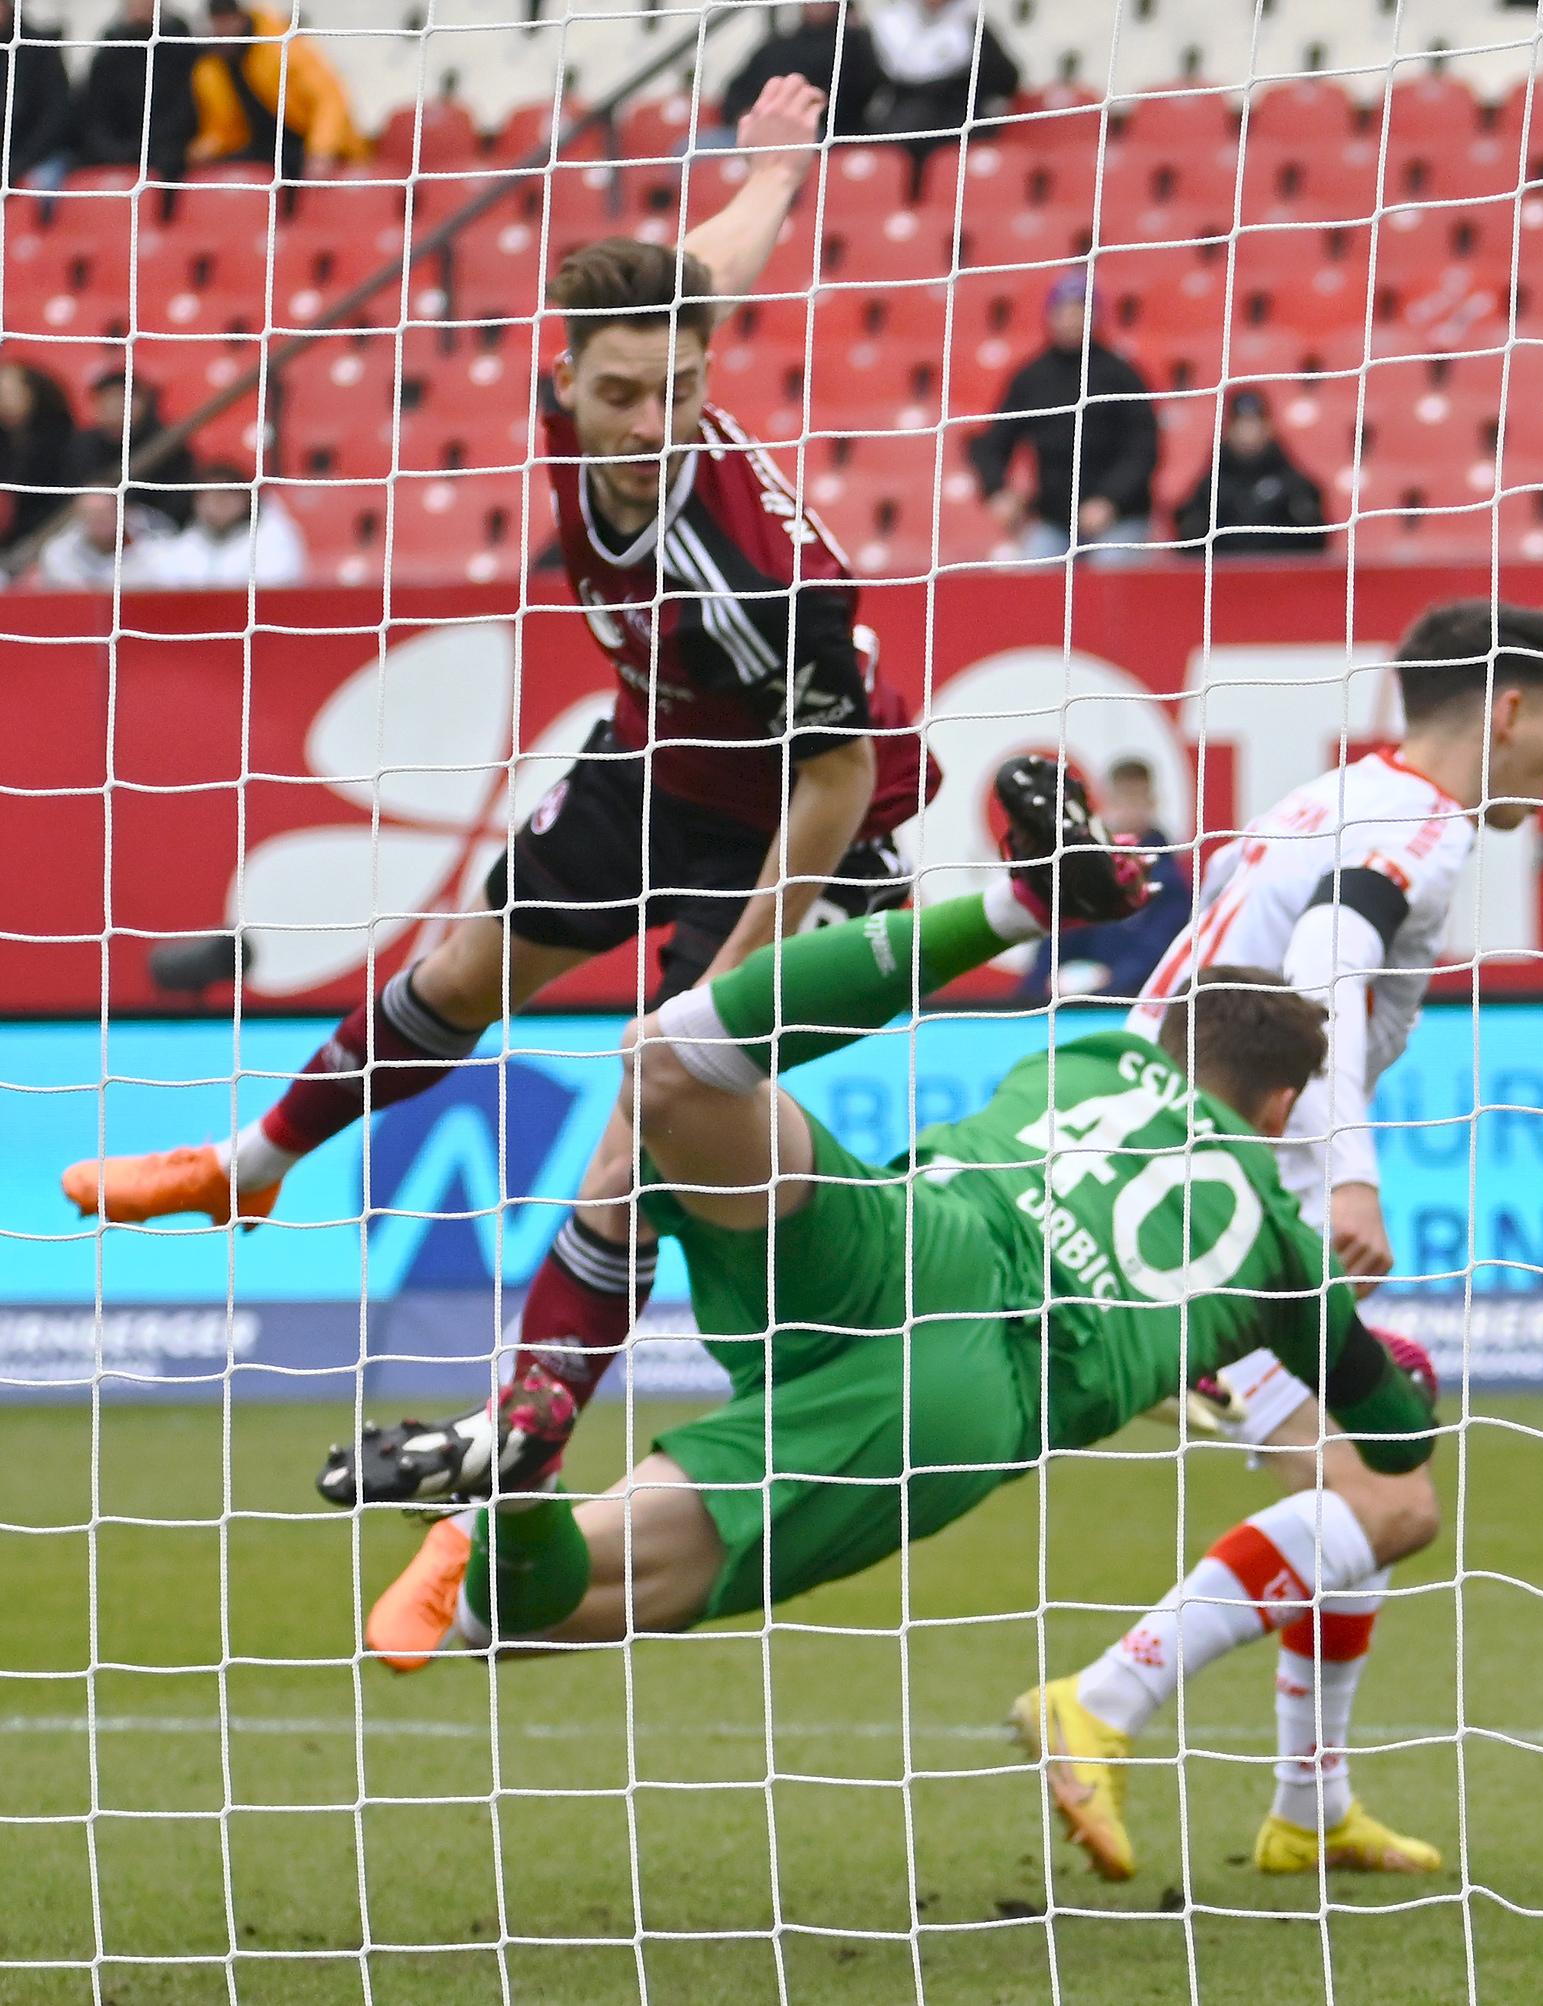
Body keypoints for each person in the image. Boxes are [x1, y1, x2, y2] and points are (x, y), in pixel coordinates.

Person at [65, 77, 936, 1518]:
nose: (650, 422)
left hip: (800, 816)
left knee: (649, 1095)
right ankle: (251, 1164)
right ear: (566, 383)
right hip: (656, 752)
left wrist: (721, 984)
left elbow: (839, 774)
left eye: (676, 395)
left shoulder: (762, 580)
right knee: (462, 969)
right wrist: (776, 174)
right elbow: (698, 275)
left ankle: (520, 1428)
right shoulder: (597, 403)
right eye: (619, 394)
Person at [340, 767, 1436, 1785]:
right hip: (966, 1393)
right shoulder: (1284, 1254)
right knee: (530, 1609)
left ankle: (1014, 907)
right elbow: (1391, 1445)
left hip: (915, 1229)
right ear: (1284, 1110)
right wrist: (1391, 1368)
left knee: (666, 1070)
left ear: (1172, 1041)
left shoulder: (1080, 1058)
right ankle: (520, 1493)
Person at [1020, 599, 1543, 1885]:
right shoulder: (1421, 831)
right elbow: (1324, 965)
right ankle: (1100, 1699)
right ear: (1504, 709)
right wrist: (1346, 1176)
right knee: (1390, 1500)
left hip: (1146, 1143)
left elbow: (1217, 956)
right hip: (1209, 1201)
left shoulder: (1326, 797)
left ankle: (1306, 1804)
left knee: (1377, 1442)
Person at [969, 271, 1156, 563]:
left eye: (1079, 311)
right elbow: (992, 442)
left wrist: (1110, 500)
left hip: (1119, 518)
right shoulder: (1031, 377)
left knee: (1110, 570)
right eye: (1062, 311)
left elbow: (1144, 449)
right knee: (1032, 574)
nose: (1070, 320)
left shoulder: (1122, 375)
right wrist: (997, 489)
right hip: (1054, 521)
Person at [1042, 756, 1192, 1001]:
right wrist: (1039, 989)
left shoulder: (1169, 880)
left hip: (1135, 1002)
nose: (1128, 810)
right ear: (1106, 803)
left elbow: (1158, 952)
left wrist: (1106, 986)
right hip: (1077, 1006)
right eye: (1121, 800)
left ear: (1152, 803)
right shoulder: (1085, 868)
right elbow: (1061, 936)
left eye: (1136, 799)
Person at [190, 0, 367, 173]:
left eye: (227, 20)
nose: (223, 30)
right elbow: (224, 128)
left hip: (309, 143)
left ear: (241, 18)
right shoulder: (212, 68)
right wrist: (209, 147)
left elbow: (329, 99)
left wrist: (321, 150)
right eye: (217, 23)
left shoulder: (283, 47)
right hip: (264, 150)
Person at [1170, 390, 1330, 558]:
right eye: (1241, 424)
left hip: (1280, 577)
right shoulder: (1211, 485)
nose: (1248, 432)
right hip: (1223, 576)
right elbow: (1187, 537)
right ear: (1229, 429)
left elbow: (1315, 539)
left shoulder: (1293, 484)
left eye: (1254, 423)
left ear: (1268, 427)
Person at [715, 1, 878, 145]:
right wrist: (746, 114)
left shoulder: (852, 44)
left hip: (818, 136)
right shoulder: (777, 45)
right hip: (752, 132)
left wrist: (797, 118)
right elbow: (736, 90)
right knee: (699, 148)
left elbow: (853, 99)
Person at [73, 0, 200, 181]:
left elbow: (184, 110)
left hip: (165, 152)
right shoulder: (110, 47)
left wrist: (147, 148)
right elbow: (93, 111)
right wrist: (113, 150)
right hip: (112, 151)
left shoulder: (179, 45)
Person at [118, 466, 306, 588]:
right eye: (207, 496)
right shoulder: (185, 544)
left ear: (247, 499)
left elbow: (274, 592)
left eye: (225, 495)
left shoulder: (274, 539)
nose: (216, 504)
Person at [864, 0, 1015, 144]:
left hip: (954, 121)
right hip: (900, 120)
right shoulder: (888, 27)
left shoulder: (971, 27)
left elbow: (1006, 79)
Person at [65, 369, 194, 533]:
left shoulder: (168, 444)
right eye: (107, 399)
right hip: (87, 533)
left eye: (124, 399)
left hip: (152, 535)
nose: (116, 406)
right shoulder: (82, 445)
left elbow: (178, 502)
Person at [0, 356, 76, 545]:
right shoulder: (5, 441)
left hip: (51, 535)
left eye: (11, 393)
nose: (5, 401)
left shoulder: (62, 439)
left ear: (34, 392)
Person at [3, 0, 76, 187]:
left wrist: (18, 164)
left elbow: (55, 118)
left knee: (41, 188)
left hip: (39, 158)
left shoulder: (39, 49)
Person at [23, 488, 160, 588]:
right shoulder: (58, 554)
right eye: (90, 514)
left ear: (123, 511)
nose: (98, 519)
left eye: (105, 512)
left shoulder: (153, 549)